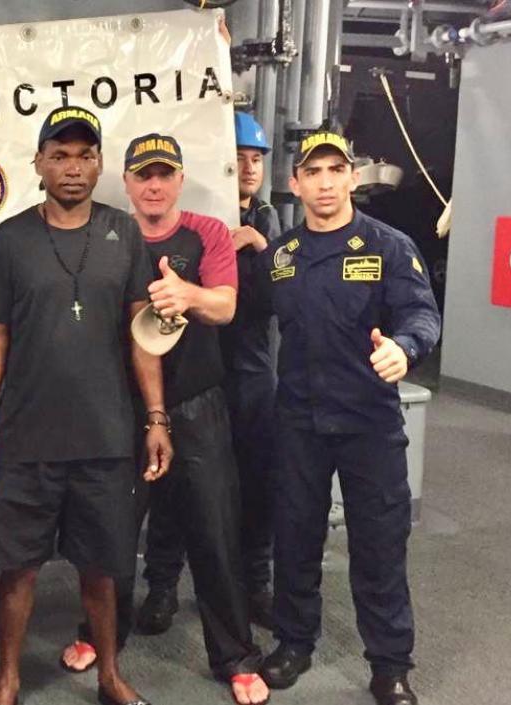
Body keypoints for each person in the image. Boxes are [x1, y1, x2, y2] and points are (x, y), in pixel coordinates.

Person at [0, 105, 171, 705]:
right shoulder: (10, 239)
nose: (73, 167)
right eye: (59, 155)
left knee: (103, 567)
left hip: (105, 435)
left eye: (85, 155)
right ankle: (8, 679)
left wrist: (156, 417)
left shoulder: (123, 231)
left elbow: (142, 332)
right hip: (25, 433)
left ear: (100, 164)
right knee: (19, 568)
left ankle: (109, 675)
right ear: (38, 163)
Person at [247, 130, 440, 705]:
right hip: (299, 423)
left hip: (368, 424)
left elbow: (421, 314)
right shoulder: (280, 258)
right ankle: (293, 642)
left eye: (336, 170)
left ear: (353, 177)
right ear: (295, 183)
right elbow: (242, 311)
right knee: (295, 538)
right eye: (313, 172)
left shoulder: (389, 246)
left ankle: (390, 663)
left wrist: (404, 347)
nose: (325, 182)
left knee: (379, 544)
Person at [123, 133, 269, 705]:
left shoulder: (208, 231)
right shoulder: (112, 235)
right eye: (143, 175)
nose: (154, 185)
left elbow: (225, 305)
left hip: (198, 400)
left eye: (164, 174)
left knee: (215, 528)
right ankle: (97, 634)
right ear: (128, 183)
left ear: (180, 179)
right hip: (125, 404)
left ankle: (235, 657)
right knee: (111, 528)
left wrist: (187, 293)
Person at [223, 111, 284, 629]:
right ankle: (163, 584)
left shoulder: (269, 221)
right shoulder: (201, 217)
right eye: (239, 158)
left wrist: (261, 248)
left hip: (253, 367)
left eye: (256, 159)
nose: (248, 168)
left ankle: (257, 584)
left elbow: (284, 292)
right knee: (182, 485)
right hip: (203, 366)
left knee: (257, 480)